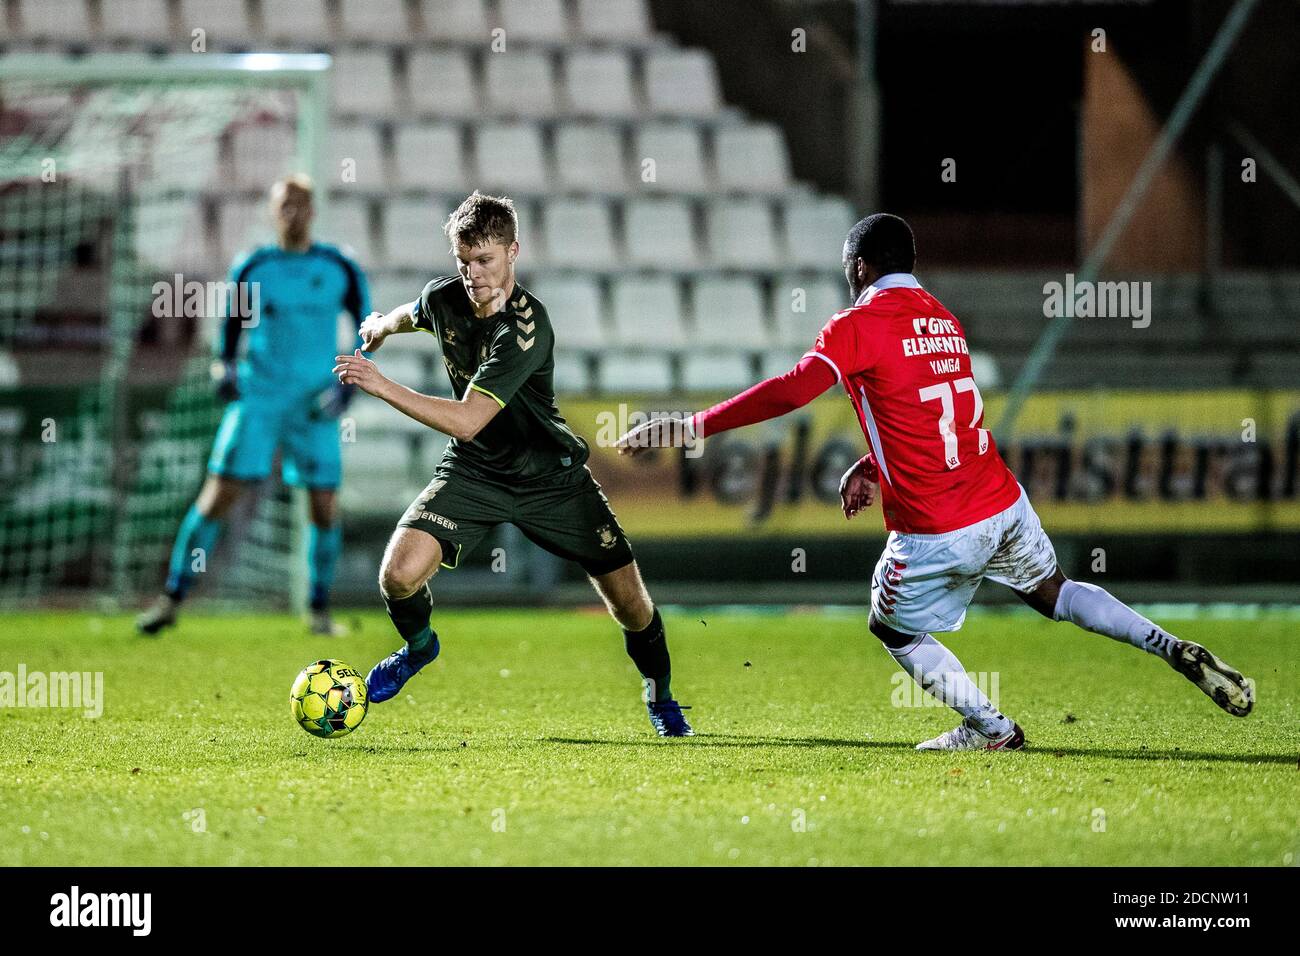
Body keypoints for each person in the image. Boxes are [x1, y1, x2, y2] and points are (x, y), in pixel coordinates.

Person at [617, 212, 1254, 750]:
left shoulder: (857, 324)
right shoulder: (940, 317)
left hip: (938, 526)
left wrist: (690, 425)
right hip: (1002, 501)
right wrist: (872, 463)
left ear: (861, 266)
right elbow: (929, 408)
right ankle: (1165, 643)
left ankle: (991, 727)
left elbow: (791, 391)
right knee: (1052, 592)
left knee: (891, 628)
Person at [331, 191, 692, 737]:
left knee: (632, 607)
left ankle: (661, 695)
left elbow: (467, 420)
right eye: (464, 262)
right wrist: (381, 325)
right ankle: (420, 647)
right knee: (398, 576)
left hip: (553, 480)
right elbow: (418, 312)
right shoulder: (445, 297)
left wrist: (381, 386)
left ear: (513, 252)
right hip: (476, 472)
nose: (474, 275)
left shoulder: (525, 329)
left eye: (486, 261)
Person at [137, 174, 368, 637]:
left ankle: (319, 610)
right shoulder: (255, 266)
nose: (293, 212)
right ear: (272, 211)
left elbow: (369, 329)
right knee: (219, 494)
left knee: (324, 505)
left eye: (301, 204)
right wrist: (224, 368)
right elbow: (230, 331)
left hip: (313, 403)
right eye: (285, 205)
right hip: (260, 397)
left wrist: (349, 386)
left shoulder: (340, 266)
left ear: (313, 211)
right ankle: (171, 599)